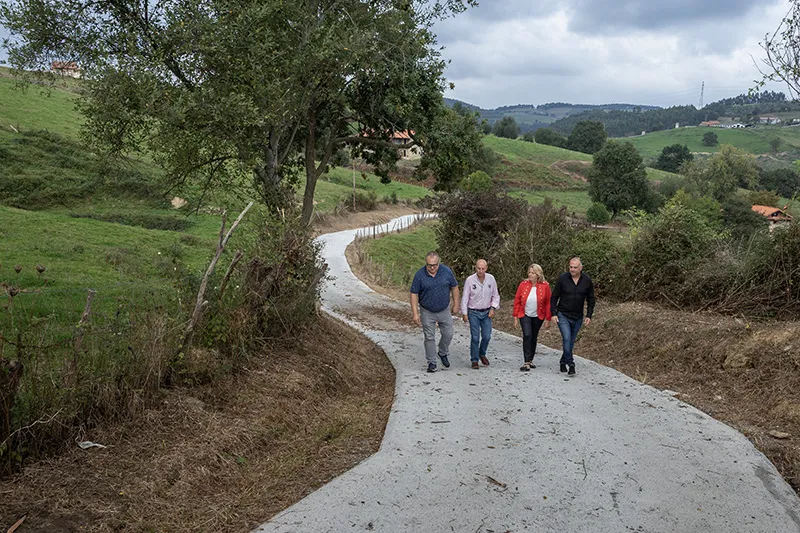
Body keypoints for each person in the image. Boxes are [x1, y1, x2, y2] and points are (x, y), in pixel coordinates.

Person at [410, 251, 460, 373]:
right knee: (429, 337)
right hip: (427, 310)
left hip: (444, 309)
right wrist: (415, 313)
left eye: (435, 265)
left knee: (448, 333)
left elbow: (454, 287)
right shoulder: (420, 275)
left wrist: (456, 303)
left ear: (439, 262)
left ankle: (442, 352)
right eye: (429, 265)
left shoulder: (446, 271)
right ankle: (432, 362)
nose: (432, 268)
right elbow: (414, 293)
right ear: (426, 264)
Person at [550, 256, 595, 376]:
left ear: (581, 268)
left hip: (578, 316)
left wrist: (589, 315)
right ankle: (571, 364)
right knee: (566, 338)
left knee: (570, 342)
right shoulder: (563, 279)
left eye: (575, 267)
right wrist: (553, 313)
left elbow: (591, 299)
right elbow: (554, 297)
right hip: (563, 314)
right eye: (571, 267)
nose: (572, 269)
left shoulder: (586, 280)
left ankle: (562, 361)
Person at [460, 259, 500, 370]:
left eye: (483, 269)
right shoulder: (470, 280)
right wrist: (464, 313)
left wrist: (493, 308)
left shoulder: (491, 279)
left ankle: (482, 353)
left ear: (486, 268)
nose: (480, 271)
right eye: (478, 268)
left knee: (487, 336)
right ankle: (474, 359)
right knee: (475, 337)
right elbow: (465, 297)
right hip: (473, 312)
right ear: (475, 268)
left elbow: (495, 295)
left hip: (486, 311)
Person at [512, 263, 552, 371]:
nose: (530, 275)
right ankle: (526, 361)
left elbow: (548, 303)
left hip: (538, 315)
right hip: (524, 314)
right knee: (527, 335)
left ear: (538, 274)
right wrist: (515, 316)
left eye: (533, 273)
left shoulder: (545, 286)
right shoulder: (523, 284)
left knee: (534, 336)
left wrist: (548, 318)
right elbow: (517, 300)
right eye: (529, 272)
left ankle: (530, 359)